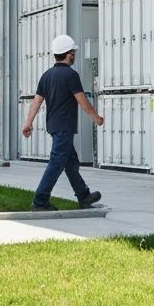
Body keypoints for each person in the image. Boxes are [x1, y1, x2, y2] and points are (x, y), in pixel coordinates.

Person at [22, 34, 104, 211]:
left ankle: (83, 196)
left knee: (70, 162)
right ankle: (40, 200)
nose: (74, 55)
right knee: (56, 163)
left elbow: (36, 101)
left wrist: (28, 122)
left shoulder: (47, 75)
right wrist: (96, 117)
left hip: (53, 126)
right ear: (69, 54)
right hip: (64, 127)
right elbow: (82, 100)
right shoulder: (71, 75)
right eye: (73, 52)